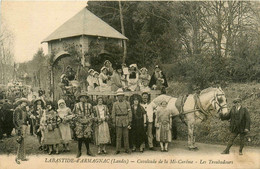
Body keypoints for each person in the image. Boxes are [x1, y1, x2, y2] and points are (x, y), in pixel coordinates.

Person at [73, 91, 94, 158]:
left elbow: (92, 114)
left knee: (87, 137)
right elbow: (74, 114)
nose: (84, 99)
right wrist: (79, 119)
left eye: (85, 97)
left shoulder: (89, 105)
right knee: (80, 137)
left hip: (87, 123)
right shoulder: (76, 105)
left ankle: (88, 151)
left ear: (87, 98)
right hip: (79, 123)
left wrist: (89, 121)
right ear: (80, 98)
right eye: (82, 97)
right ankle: (79, 151)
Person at [112, 88, 132, 154]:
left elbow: (129, 112)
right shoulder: (115, 104)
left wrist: (130, 120)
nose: (120, 97)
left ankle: (127, 149)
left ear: (123, 96)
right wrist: (114, 121)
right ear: (117, 97)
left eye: (121, 96)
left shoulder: (127, 103)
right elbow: (113, 113)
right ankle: (118, 149)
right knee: (118, 136)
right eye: (118, 96)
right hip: (118, 121)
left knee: (126, 136)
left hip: (125, 120)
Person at [13, 98, 30, 164]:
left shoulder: (25, 110)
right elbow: (15, 120)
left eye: (26, 103)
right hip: (20, 127)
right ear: (21, 103)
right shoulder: (17, 109)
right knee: (20, 141)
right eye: (24, 102)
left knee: (22, 141)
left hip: (24, 126)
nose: (25, 104)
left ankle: (22, 157)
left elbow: (27, 118)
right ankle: (17, 157)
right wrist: (18, 127)